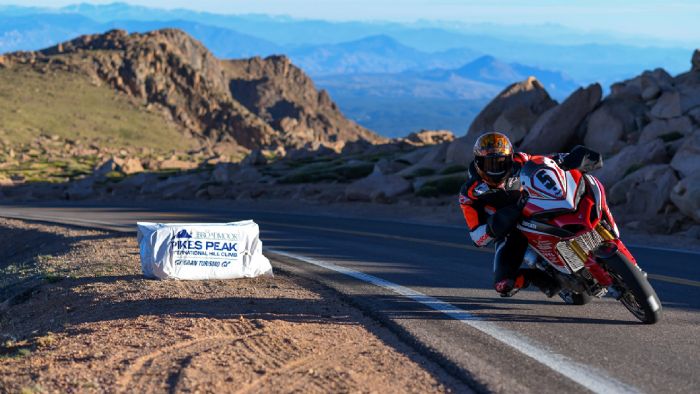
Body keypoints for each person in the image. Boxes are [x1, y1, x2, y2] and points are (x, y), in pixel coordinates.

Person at [458, 132, 602, 297]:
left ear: (510, 158)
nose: (496, 168)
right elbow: (477, 237)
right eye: (490, 164)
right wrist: (498, 222)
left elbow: (547, 162)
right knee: (503, 285)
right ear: (478, 163)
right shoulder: (470, 193)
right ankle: (540, 278)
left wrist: (571, 158)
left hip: (539, 209)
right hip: (511, 232)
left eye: (502, 162)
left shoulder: (521, 160)